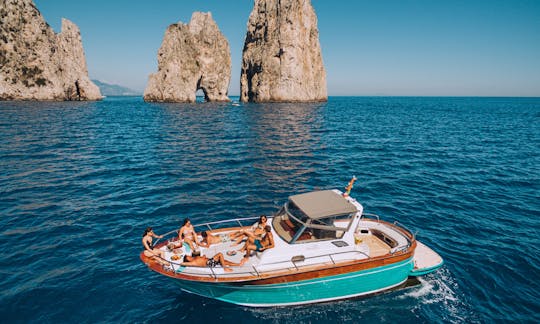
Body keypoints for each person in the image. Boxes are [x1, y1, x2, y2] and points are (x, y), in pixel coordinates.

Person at [181, 252, 246, 272]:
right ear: (188, 260)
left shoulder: (195, 258)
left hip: (209, 261)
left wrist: (203, 257)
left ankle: (238, 264)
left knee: (224, 261)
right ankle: (225, 268)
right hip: (209, 264)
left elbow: (202, 259)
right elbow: (182, 263)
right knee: (220, 254)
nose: (189, 256)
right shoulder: (192, 263)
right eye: (188, 257)